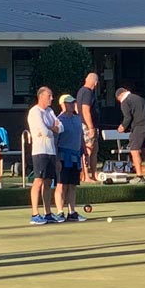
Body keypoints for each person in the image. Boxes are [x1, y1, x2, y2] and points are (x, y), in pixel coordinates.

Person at [27, 86, 64, 225]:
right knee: (39, 180)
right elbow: (44, 131)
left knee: (48, 182)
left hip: (51, 151)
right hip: (40, 151)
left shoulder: (50, 111)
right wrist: (51, 128)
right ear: (41, 96)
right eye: (49, 96)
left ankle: (47, 213)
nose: (52, 98)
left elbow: (61, 127)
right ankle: (35, 214)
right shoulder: (34, 112)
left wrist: (52, 128)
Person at [55, 94, 87, 222]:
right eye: (69, 103)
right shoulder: (58, 120)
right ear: (63, 104)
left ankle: (72, 212)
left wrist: (84, 151)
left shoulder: (78, 119)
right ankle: (59, 212)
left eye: (73, 103)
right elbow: (55, 141)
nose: (72, 105)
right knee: (61, 184)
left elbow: (81, 136)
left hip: (76, 156)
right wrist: (56, 159)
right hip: (63, 156)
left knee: (72, 185)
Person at [115, 87, 145, 184]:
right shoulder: (138, 98)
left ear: (120, 96)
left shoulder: (125, 101)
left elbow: (127, 117)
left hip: (140, 127)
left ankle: (139, 176)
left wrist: (122, 127)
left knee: (134, 150)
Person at [76, 72, 100, 183]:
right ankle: (86, 176)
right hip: (87, 125)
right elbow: (85, 110)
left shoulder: (81, 91)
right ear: (95, 83)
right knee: (88, 150)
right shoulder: (87, 93)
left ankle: (94, 174)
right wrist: (90, 127)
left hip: (89, 125)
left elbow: (77, 107)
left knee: (94, 150)